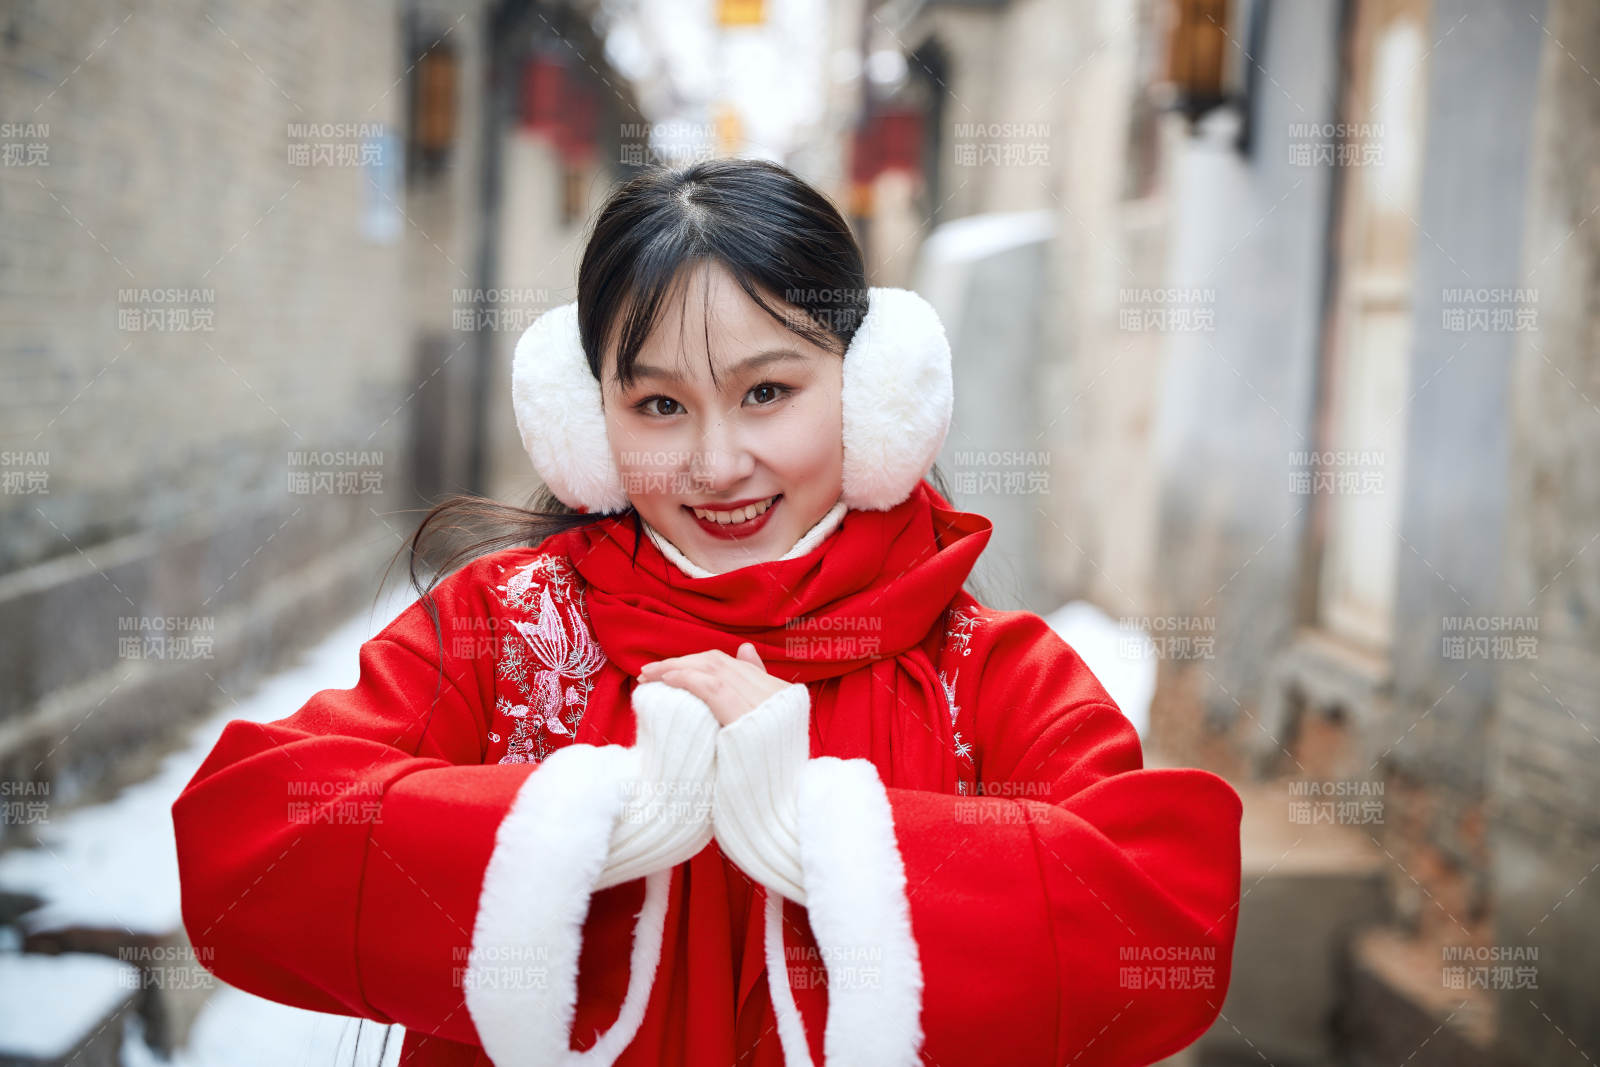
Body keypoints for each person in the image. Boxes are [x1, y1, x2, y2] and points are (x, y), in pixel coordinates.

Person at [171, 158, 1243, 1067]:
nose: (716, 461)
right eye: (657, 405)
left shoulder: (983, 664)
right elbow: (242, 840)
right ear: (584, 422)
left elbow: (1166, 920)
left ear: (870, 392)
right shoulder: (506, 632)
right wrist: (582, 822)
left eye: (767, 391)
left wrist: (824, 830)